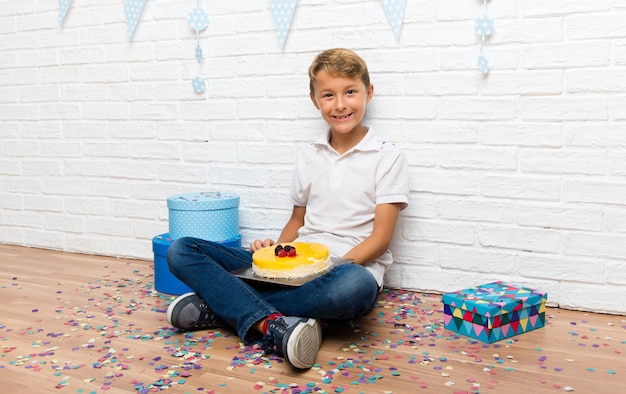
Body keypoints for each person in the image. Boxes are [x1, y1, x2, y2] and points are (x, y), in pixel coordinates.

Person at [165, 48, 409, 370]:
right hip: (294, 264)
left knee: (355, 288)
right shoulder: (309, 155)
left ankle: (223, 304)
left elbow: (380, 240)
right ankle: (270, 323)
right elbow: (298, 219)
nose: (340, 104)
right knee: (182, 249)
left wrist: (328, 269)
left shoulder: (387, 156)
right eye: (328, 95)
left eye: (350, 92)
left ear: (369, 92)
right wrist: (276, 255)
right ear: (314, 100)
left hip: (345, 268)